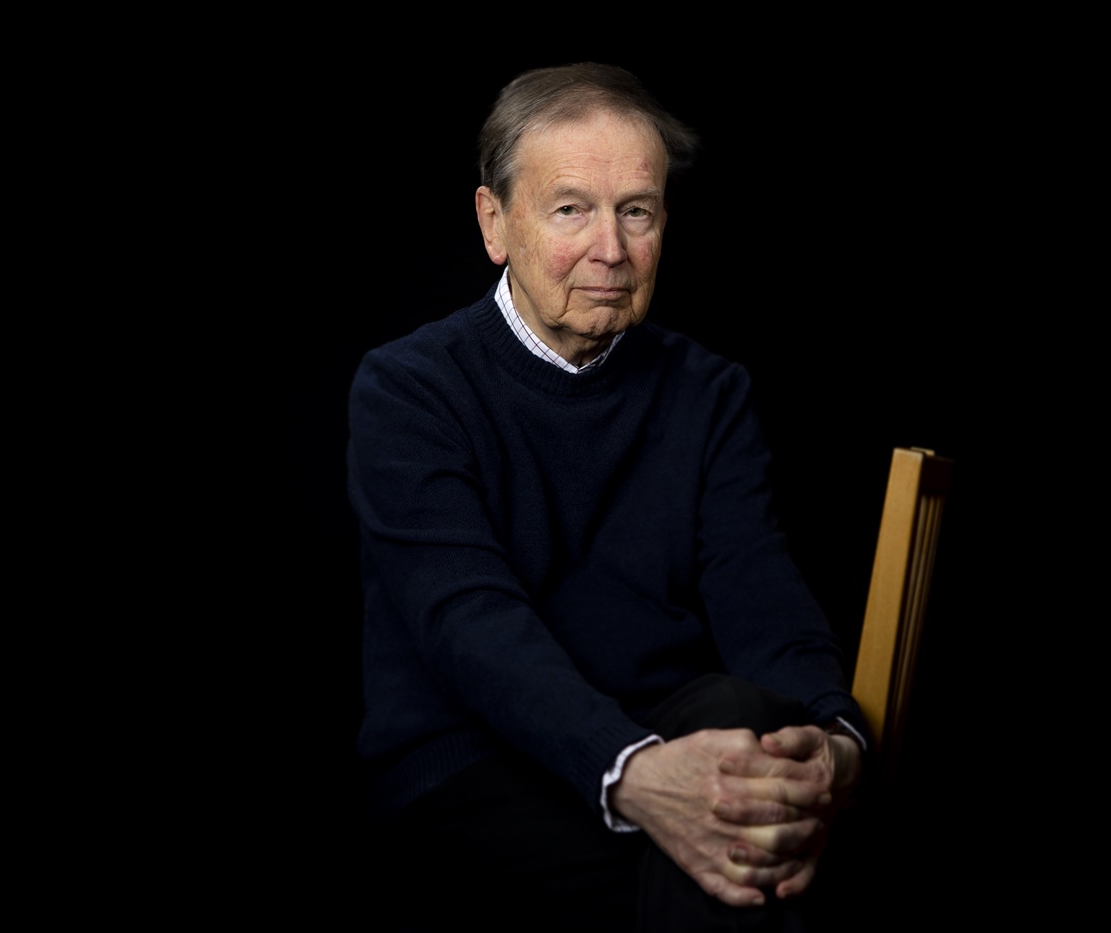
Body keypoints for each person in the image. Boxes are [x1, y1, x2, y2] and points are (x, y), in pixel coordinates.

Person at [346, 61, 870, 931]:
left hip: (676, 737)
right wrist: (633, 773)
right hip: (471, 762)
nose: (611, 250)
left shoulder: (709, 393)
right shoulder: (410, 389)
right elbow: (469, 626)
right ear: (494, 222)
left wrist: (833, 747)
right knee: (747, 856)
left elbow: (762, 601)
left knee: (744, 739)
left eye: (637, 211)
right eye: (570, 209)